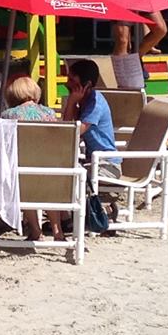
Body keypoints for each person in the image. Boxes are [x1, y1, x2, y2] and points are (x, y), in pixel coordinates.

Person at [0, 73, 64, 240]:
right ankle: (58, 231)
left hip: (23, 174)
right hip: (51, 173)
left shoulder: (8, 116)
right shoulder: (49, 113)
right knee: (47, 180)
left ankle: (36, 230)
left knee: (20, 177)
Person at [63, 58, 120, 233]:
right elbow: (68, 126)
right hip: (94, 162)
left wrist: (72, 101)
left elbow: (74, 131)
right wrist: (73, 102)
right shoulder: (85, 101)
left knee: (65, 176)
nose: (68, 82)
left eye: (72, 79)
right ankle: (66, 218)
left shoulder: (95, 103)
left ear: (86, 84)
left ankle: (70, 219)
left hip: (107, 164)